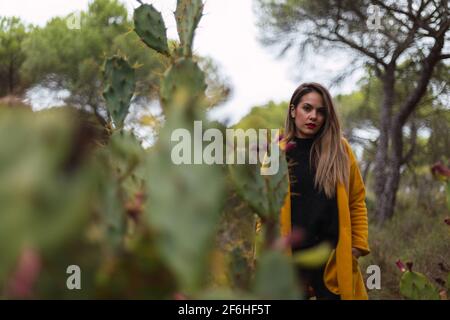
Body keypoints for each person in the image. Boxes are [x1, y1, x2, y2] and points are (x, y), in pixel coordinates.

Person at [279, 82, 370, 300]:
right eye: (307, 108)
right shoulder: (277, 153)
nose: (313, 117)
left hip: (332, 259)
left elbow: (356, 200)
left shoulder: (340, 150)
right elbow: (263, 211)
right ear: (293, 111)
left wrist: (356, 247)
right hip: (290, 261)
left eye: (321, 112)